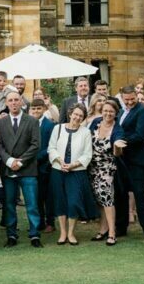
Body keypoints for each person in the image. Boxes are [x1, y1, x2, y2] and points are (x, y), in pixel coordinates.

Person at [0, 90, 42, 248]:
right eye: (11, 100)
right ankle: (11, 235)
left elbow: (36, 145)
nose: (14, 103)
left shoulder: (32, 121)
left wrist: (20, 162)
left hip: (27, 169)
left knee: (32, 203)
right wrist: (9, 160)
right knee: (9, 204)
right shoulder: (0, 123)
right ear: (6, 103)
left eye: (16, 100)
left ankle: (35, 235)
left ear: (21, 102)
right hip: (9, 169)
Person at [114, 85, 144, 243]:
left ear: (136, 95)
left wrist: (120, 141)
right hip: (120, 160)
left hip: (136, 161)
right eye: (127, 100)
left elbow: (140, 135)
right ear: (122, 97)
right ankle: (121, 227)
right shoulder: (120, 112)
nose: (130, 102)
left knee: (139, 194)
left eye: (132, 99)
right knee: (120, 194)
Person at [47, 105, 94, 245]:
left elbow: (87, 154)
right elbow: (51, 147)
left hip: (76, 172)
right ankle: (62, 233)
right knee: (60, 201)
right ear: (70, 113)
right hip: (58, 170)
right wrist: (60, 161)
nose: (77, 117)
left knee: (74, 202)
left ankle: (71, 233)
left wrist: (73, 165)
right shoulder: (58, 128)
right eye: (75, 114)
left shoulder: (85, 132)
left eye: (81, 115)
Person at [88, 99, 122, 246]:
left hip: (107, 169)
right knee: (99, 200)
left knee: (107, 199)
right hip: (92, 168)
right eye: (105, 111)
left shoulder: (118, 129)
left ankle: (112, 233)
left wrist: (117, 146)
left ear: (116, 113)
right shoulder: (95, 122)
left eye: (111, 111)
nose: (108, 114)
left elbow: (118, 152)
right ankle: (102, 230)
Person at [33, 96, 58, 235]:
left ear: (44, 109)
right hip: (31, 167)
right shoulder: (29, 123)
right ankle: (40, 222)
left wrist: (36, 158)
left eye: (38, 108)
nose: (36, 111)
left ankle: (50, 222)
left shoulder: (50, 125)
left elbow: (50, 147)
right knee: (36, 196)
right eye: (34, 108)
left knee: (48, 197)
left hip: (45, 166)